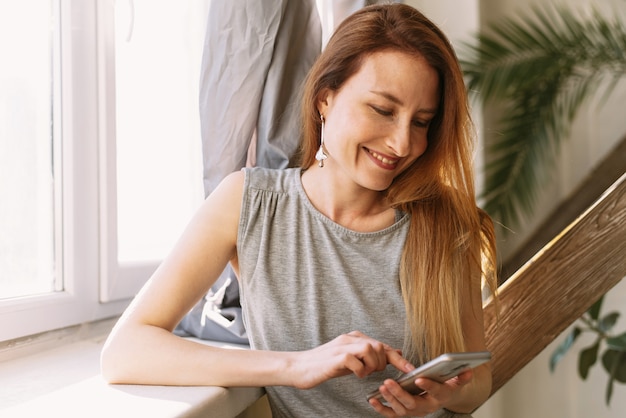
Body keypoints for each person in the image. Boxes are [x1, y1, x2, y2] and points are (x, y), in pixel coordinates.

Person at [101, 4, 498, 418]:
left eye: (421, 122)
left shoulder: (446, 222)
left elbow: (479, 379)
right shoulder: (248, 203)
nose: (401, 143)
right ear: (325, 98)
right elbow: (125, 351)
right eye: (383, 110)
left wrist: (445, 395)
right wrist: (296, 365)